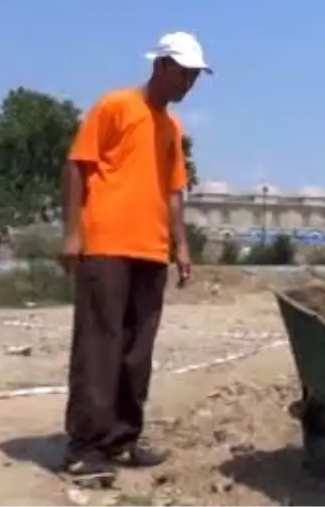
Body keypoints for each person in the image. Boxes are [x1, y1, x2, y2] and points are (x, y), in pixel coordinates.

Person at [58, 31, 211, 485]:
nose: (188, 84)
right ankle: (85, 446)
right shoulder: (116, 106)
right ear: (161, 66)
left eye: (195, 77)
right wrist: (72, 233)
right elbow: (76, 165)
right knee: (99, 345)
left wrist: (180, 244)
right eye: (183, 74)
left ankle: (123, 438)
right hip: (106, 243)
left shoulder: (172, 128)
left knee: (137, 350)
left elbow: (173, 190)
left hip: (150, 249)